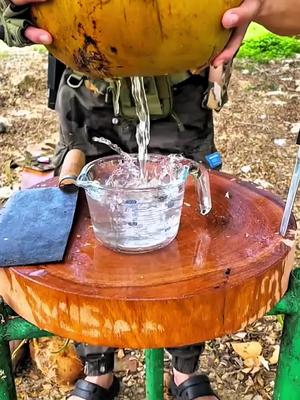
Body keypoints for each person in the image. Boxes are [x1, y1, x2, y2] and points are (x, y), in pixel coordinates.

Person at [0, 1, 298, 399]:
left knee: (188, 225)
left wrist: (262, 5)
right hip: (87, 89)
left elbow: (293, 15)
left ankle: (184, 368)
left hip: (181, 97)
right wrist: (11, 13)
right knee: (86, 226)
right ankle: (98, 368)